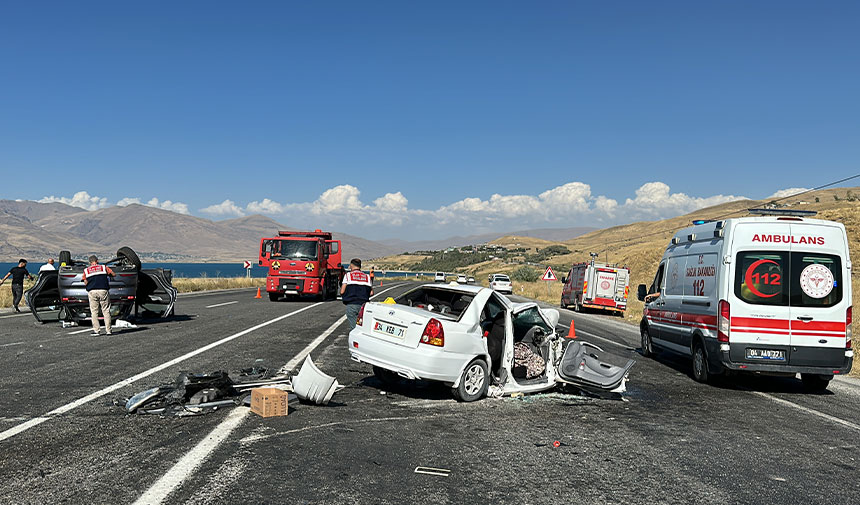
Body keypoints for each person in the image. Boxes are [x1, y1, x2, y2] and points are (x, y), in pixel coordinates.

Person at [82, 255, 115, 336]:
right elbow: (113, 274)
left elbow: (85, 281)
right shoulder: (103, 267)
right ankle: (108, 330)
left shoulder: (86, 270)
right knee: (106, 310)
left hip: (92, 291)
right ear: (97, 261)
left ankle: (96, 330)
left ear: (90, 262)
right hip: (103, 290)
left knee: (94, 311)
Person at [341, 258, 373, 331]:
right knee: (363, 327)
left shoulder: (348, 276)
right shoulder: (367, 276)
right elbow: (371, 293)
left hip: (352, 304)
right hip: (364, 305)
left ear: (351, 265)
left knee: (354, 328)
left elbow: (342, 291)